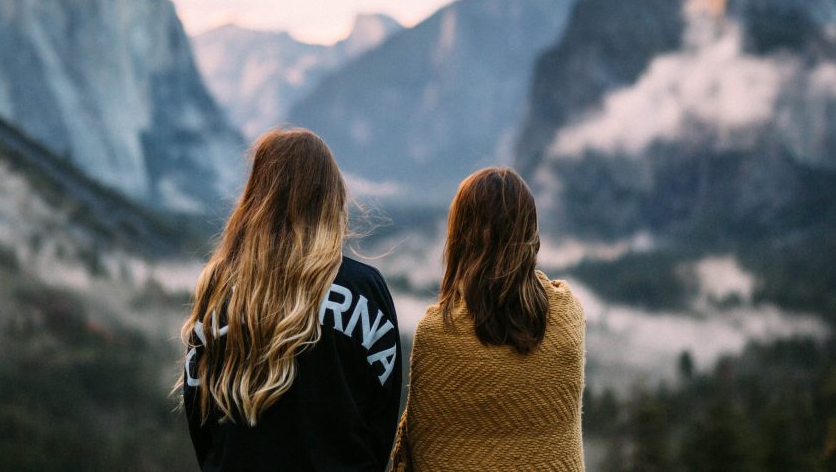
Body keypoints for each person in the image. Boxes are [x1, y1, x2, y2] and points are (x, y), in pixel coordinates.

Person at [180, 128, 402, 471]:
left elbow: (199, 410)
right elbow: (383, 412)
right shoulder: (365, 288)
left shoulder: (220, 285)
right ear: (331, 197)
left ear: (257, 196)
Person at [391, 167, 586, 472]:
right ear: (531, 235)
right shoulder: (567, 316)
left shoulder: (438, 334)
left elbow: (425, 451)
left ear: (460, 238)